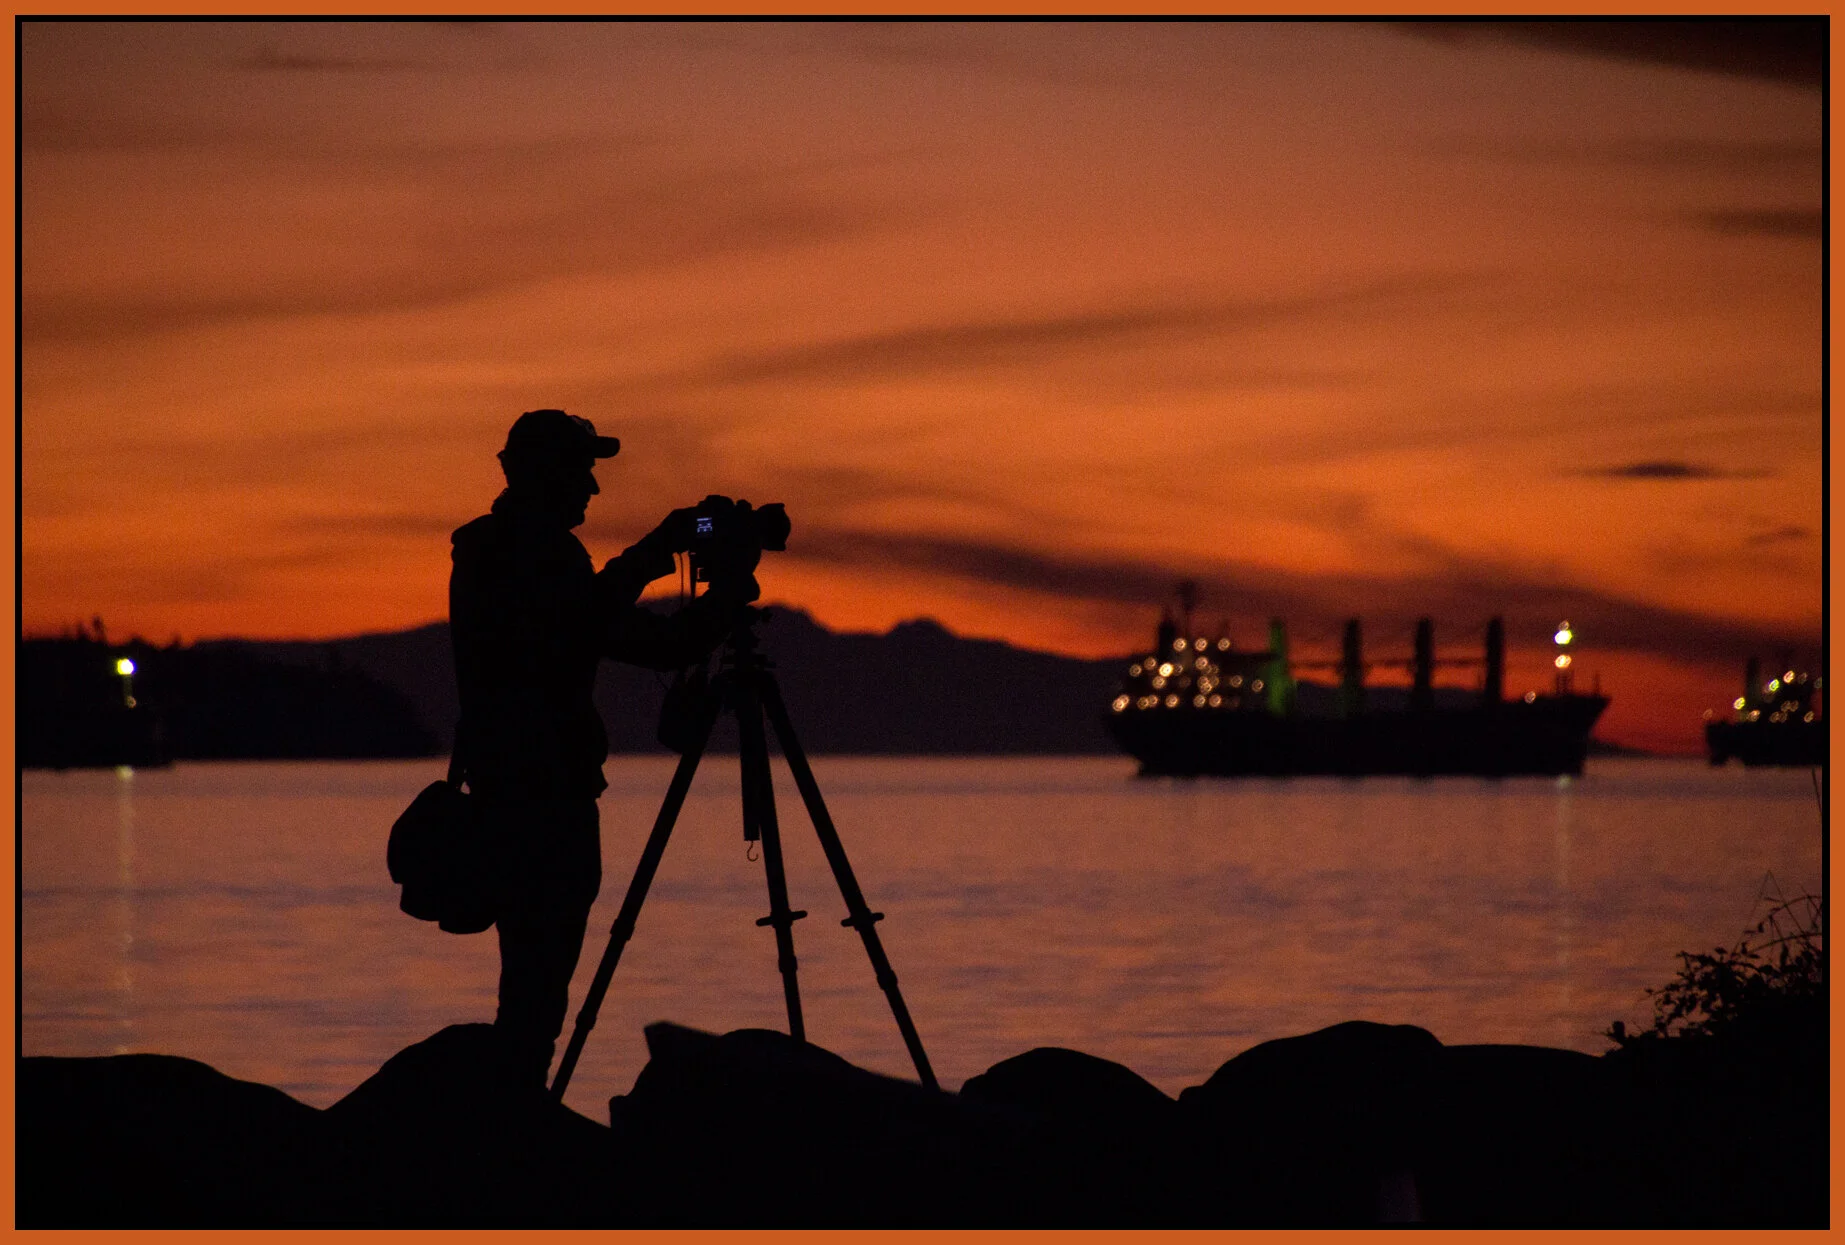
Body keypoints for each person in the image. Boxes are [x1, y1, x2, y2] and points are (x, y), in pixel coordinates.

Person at [448, 408, 758, 1087]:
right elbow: (630, 635)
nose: (592, 487)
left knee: (529, 986)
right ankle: (517, 1113)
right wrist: (725, 592)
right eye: (582, 471)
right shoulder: (533, 557)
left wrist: (661, 548)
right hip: (544, 803)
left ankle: (513, 1103)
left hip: (510, 792)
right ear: (546, 475)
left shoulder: (494, 550)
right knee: (536, 992)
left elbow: (590, 614)